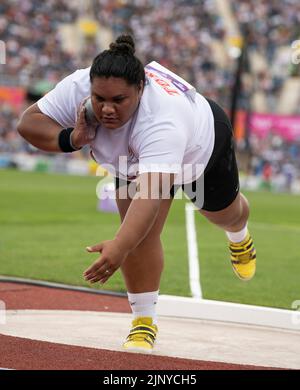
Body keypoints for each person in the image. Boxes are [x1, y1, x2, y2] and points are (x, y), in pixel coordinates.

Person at [17, 35, 256, 354]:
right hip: (129, 161)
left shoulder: (162, 119)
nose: (107, 109)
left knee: (225, 215)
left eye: (119, 100)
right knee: (138, 234)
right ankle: (144, 321)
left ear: (141, 90)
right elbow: (28, 123)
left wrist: (118, 248)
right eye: (99, 98)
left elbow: (152, 193)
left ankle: (239, 236)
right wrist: (71, 138)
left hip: (200, 149)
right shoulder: (78, 85)